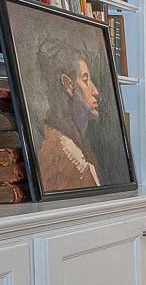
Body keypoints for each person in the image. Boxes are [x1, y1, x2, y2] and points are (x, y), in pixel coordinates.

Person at [34, 34, 103, 190]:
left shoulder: (80, 143)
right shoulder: (63, 149)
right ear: (68, 85)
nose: (95, 91)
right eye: (85, 80)